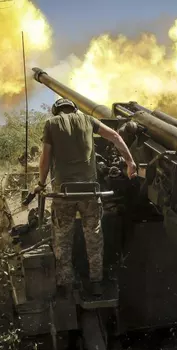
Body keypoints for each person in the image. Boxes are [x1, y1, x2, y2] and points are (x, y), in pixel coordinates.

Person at [34, 98, 137, 298]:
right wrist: (130, 161)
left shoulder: (51, 124)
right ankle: (96, 283)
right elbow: (115, 136)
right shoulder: (89, 121)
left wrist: (40, 183)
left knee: (63, 238)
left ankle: (66, 284)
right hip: (91, 192)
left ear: (57, 111)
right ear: (74, 108)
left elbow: (45, 158)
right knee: (94, 237)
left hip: (64, 192)